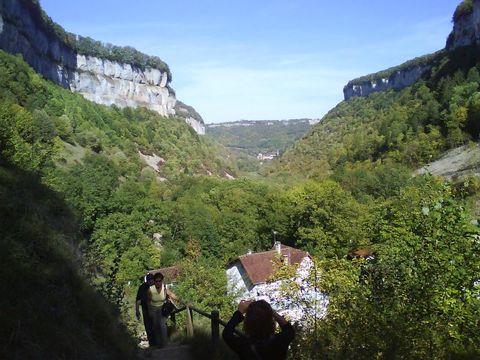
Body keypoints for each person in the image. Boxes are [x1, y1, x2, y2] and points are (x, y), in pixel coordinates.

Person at [222, 299, 295, 360]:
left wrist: (240, 311)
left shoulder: (243, 344)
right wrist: (270, 311)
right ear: (270, 322)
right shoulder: (280, 341)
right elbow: (289, 329)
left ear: (248, 322)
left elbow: (226, 334)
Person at [147, 272, 178, 348]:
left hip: (162, 309)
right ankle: (158, 343)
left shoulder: (164, 288)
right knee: (156, 326)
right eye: (156, 281)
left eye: (160, 281)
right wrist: (150, 311)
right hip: (153, 309)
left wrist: (182, 301)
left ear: (162, 281)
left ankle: (164, 343)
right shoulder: (150, 290)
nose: (158, 283)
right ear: (154, 281)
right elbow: (148, 301)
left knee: (162, 325)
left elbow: (172, 295)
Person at [135, 273, 155, 346]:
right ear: (147, 281)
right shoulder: (142, 287)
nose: (151, 281)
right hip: (146, 309)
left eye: (152, 280)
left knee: (156, 325)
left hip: (156, 308)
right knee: (148, 326)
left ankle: (158, 342)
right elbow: (138, 300)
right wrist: (137, 311)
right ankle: (152, 344)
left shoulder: (156, 285)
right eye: (149, 280)